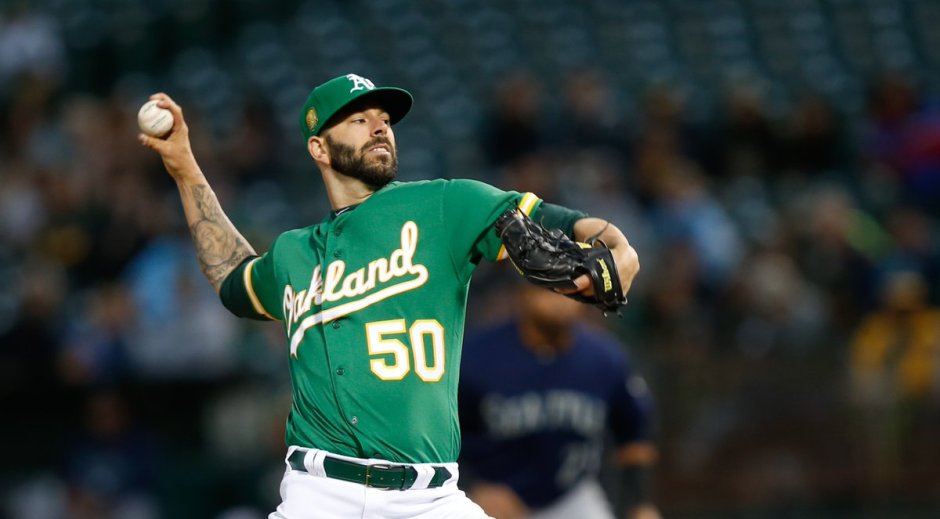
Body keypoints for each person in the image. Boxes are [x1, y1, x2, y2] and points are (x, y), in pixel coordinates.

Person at [137, 73, 640, 519]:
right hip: (319, 495)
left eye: (384, 119)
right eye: (359, 120)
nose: (379, 127)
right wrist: (184, 167)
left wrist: (616, 243)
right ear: (319, 148)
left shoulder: (445, 205)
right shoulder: (292, 253)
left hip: (430, 499)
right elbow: (232, 278)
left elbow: (554, 221)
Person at [459, 281, 660, 519]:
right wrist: (471, 487)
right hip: (488, 497)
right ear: (522, 293)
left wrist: (640, 504)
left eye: (569, 290)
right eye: (548, 290)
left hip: (570, 497)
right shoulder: (476, 357)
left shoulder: (604, 359)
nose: (559, 300)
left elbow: (634, 434)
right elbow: (439, 434)